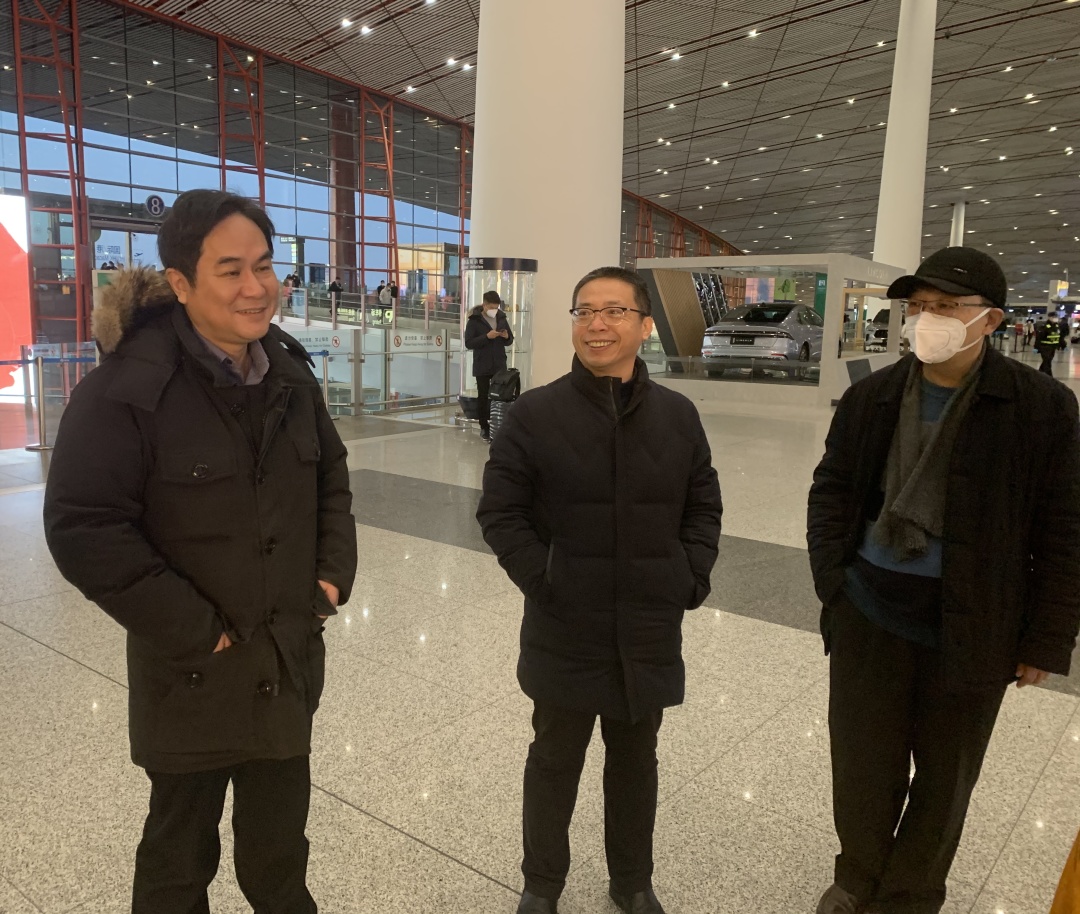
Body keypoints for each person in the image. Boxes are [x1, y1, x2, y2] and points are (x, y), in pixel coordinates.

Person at [42, 189, 358, 914]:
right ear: (181, 283)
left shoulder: (289, 374)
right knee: (177, 865)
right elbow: (84, 526)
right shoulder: (126, 390)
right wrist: (197, 630)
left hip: (285, 660)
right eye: (230, 270)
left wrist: (331, 578)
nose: (256, 287)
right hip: (191, 676)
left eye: (264, 266)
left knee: (280, 861)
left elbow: (331, 477)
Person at [807, 246, 1080, 914]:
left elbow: (1064, 527)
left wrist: (1047, 639)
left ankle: (911, 893)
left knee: (947, 774)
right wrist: (834, 585)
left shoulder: (1040, 407)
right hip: (870, 609)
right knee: (863, 761)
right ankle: (857, 875)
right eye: (918, 305)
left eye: (946, 307)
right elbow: (833, 489)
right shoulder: (872, 396)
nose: (926, 319)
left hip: (977, 622)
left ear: (990, 320)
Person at [477, 266, 723, 914]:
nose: (597, 324)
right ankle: (542, 883)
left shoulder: (678, 416)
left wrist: (689, 574)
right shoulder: (535, 414)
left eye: (614, 311)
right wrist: (546, 578)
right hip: (566, 623)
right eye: (584, 311)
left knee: (636, 760)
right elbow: (500, 512)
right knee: (554, 759)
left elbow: (703, 505)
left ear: (645, 326)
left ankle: (632, 881)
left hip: (648, 624)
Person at [463, 290, 514, 441]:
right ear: (484, 305)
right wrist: (486, 337)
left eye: (496, 307)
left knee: (501, 396)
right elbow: (469, 343)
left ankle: (499, 426)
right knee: (483, 396)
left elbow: (510, 340)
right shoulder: (474, 320)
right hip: (482, 364)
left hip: (499, 363)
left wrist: (506, 337)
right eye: (491, 307)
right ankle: (484, 427)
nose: (494, 310)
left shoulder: (501, 318)